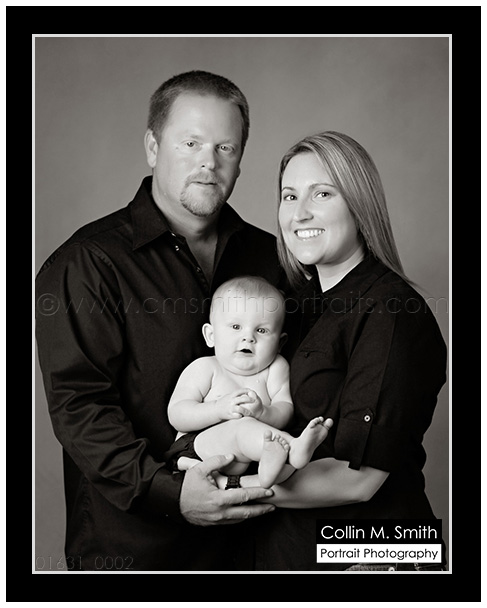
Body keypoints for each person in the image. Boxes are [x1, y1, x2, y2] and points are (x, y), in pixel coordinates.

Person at [35, 70, 286, 571]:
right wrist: (170, 492)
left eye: (225, 148)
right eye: (190, 143)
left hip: (257, 543)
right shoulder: (87, 263)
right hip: (135, 550)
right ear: (152, 147)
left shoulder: (273, 258)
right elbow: (81, 408)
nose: (208, 163)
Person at [232, 131, 448, 571]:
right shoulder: (296, 305)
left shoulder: (392, 311)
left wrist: (232, 490)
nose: (300, 213)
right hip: (292, 550)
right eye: (289, 196)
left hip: (375, 553)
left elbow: (359, 479)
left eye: (322, 193)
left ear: (359, 205)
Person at [164, 275, 333, 489]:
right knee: (244, 428)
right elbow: (177, 414)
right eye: (236, 326)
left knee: (278, 455)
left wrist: (264, 413)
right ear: (211, 335)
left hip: (251, 457)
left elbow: (285, 409)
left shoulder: (276, 368)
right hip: (197, 448)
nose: (248, 338)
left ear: (280, 343)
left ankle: (274, 466)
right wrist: (217, 409)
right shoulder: (206, 368)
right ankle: (293, 449)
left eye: (261, 330)